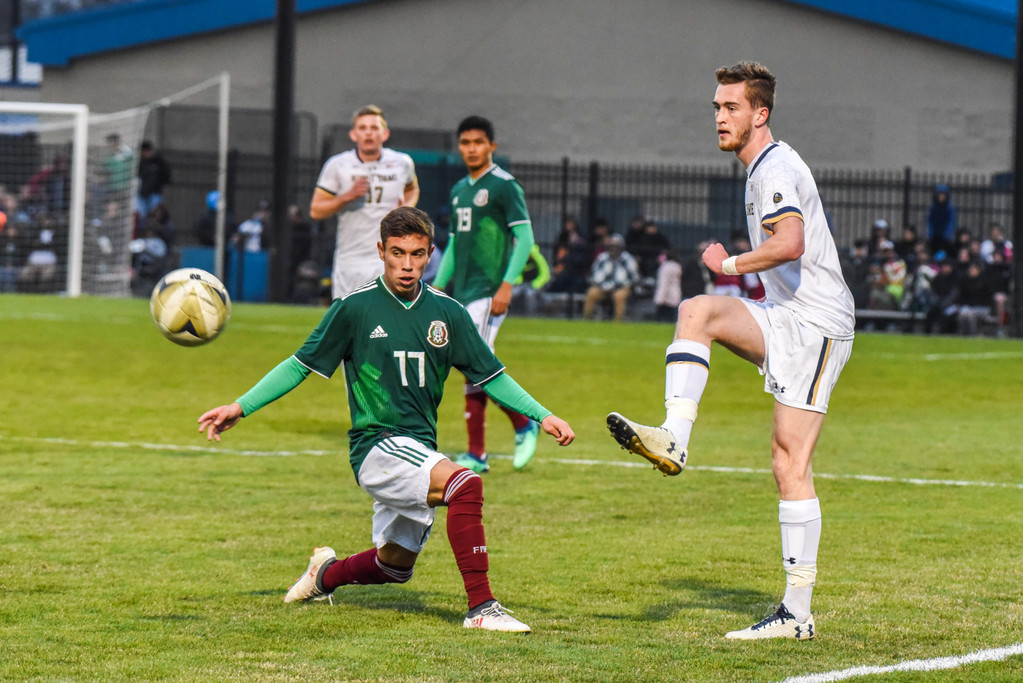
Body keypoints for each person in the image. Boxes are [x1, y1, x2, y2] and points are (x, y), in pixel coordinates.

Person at [197, 206, 574, 632]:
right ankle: (482, 609)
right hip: (376, 446)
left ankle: (323, 575)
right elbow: (299, 365)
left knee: (394, 566)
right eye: (398, 253)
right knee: (466, 485)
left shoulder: (448, 314)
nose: (408, 265)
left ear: (431, 253)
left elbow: (492, 377)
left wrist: (542, 415)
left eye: (417, 254)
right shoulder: (355, 309)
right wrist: (239, 406)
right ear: (381, 251)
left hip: (417, 448)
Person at [606, 61, 854, 640]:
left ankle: (796, 614)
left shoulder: (774, 167)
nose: (720, 117)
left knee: (789, 463)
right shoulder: (761, 169)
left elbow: (789, 243)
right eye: (717, 107)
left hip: (817, 325)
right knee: (698, 311)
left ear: (760, 113)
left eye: (732, 108)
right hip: (787, 318)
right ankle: (675, 438)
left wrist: (730, 264)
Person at [431, 115, 540, 474]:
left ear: (492, 146)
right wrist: (436, 287)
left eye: (478, 142)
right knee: (472, 367)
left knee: (475, 365)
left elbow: (524, 239)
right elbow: (455, 248)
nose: (472, 148)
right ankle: (479, 452)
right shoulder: (460, 189)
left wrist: (507, 284)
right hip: (463, 292)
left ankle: (523, 423)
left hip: (489, 291)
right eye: (465, 143)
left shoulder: (505, 186)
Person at [310, 105, 419, 299]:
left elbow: (412, 188)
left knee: (387, 322)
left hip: (388, 258)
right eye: (362, 128)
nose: (369, 133)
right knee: (349, 324)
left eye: (374, 128)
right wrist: (347, 196)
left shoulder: (402, 162)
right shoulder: (338, 165)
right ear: (353, 134)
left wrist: (407, 208)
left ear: (385, 134)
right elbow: (316, 211)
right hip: (350, 260)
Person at [582, 233, 640, 321]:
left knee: (619, 296)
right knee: (591, 293)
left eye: (616, 246)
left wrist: (620, 285)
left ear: (621, 246)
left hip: (621, 287)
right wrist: (601, 284)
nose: (614, 248)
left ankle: (618, 322)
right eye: (612, 246)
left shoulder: (627, 259)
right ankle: (586, 319)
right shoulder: (602, 258)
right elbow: (595, 273)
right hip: (603, 287)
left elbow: (634, 277)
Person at [136, 140, 172, 218]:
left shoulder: (159, 162)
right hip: (142, 194)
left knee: (154, 213)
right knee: (141, 215)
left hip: (155, 193)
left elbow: (166, 176)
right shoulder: (141, 163)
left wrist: (158, 186)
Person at [926, 183, 957, 257]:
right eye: (939, 194)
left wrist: (947, 235)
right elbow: (929, 221)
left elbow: (951, 222)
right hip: (934, 237)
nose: (941, 196)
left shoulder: (949, 208)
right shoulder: (933, 208)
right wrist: (930, 234)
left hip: (945, 238)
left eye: (943, 194)